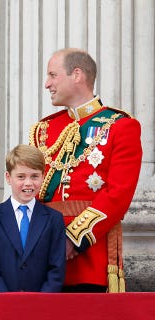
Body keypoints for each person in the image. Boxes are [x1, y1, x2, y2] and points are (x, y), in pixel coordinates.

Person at [30, 48, 142, 292]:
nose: (47, 84)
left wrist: (74, 238)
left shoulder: (120, 126)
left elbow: (118, 195)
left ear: (77, 74)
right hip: (42, 249)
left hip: (90, 253)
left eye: (52, 75)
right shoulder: (44, 129)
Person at [0, 144, 66, 292]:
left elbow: (56, 268)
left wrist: (41, 302)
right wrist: (6, 301)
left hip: (40, 306)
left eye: (34, 176)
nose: (28, 183)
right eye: (21, 176)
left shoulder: (53, 219)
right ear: (8, 177)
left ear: (43, 177)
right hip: (0, 305)